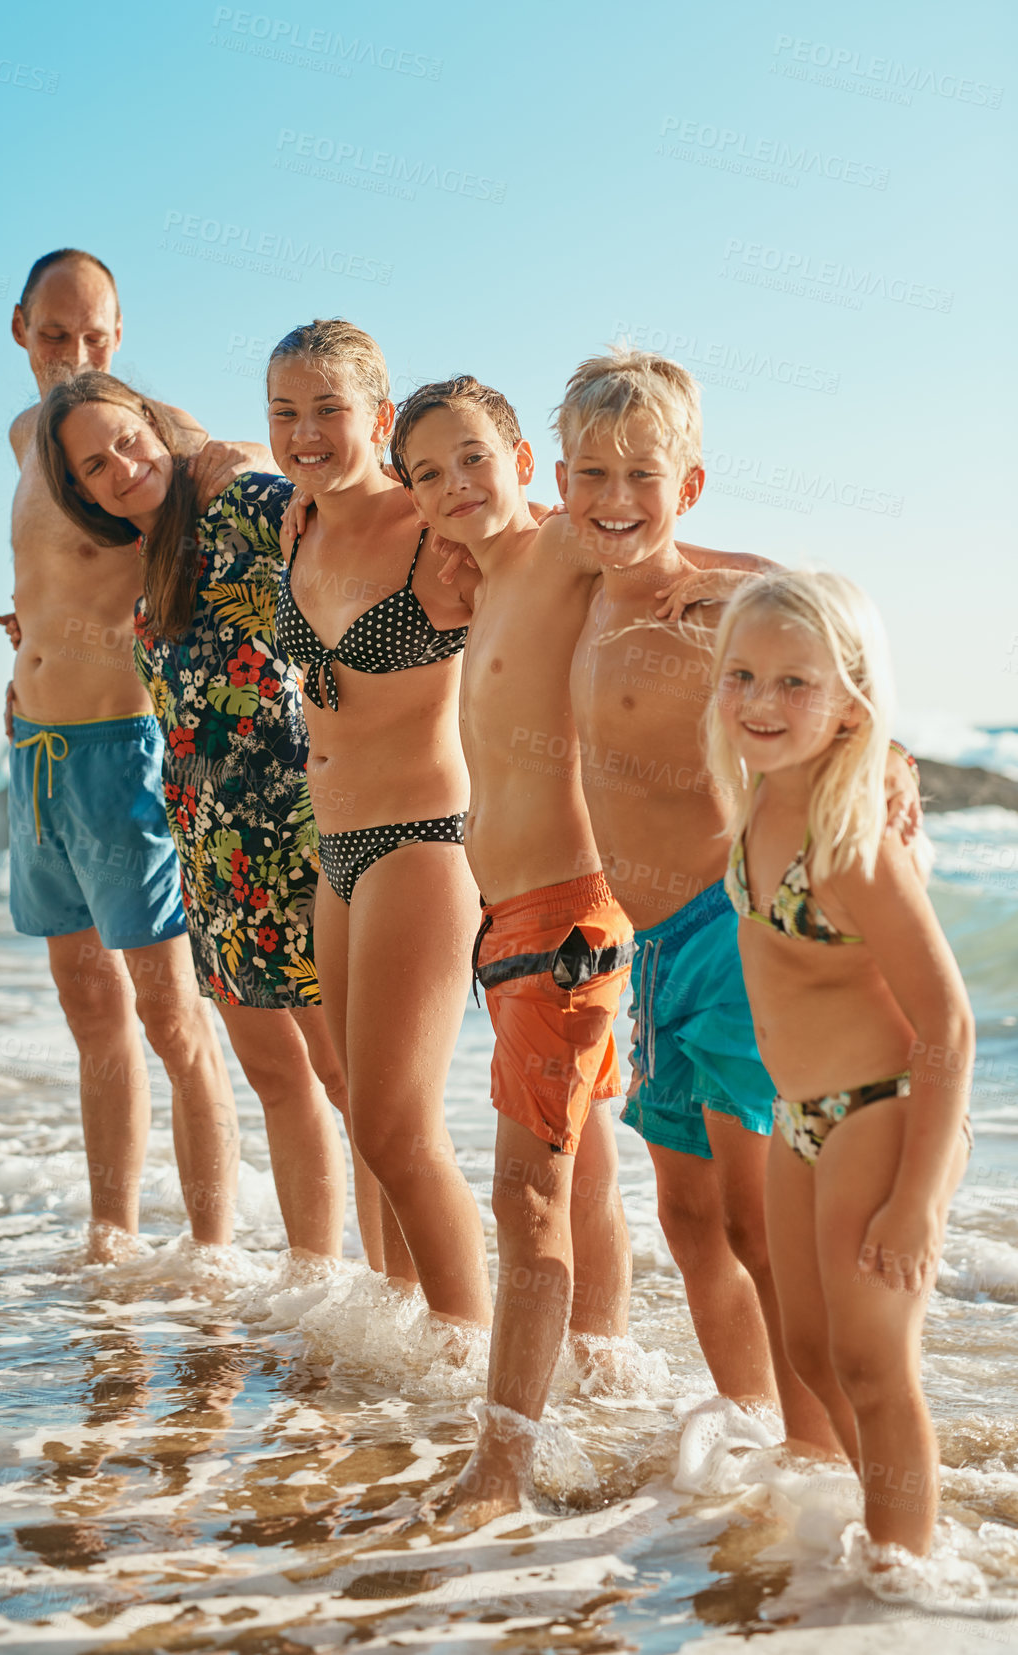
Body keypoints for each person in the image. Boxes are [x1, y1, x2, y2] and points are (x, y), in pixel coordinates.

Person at [565, 348, 921, 1453]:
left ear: (689, 486)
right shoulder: (565, 581)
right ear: (564, 477)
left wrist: (892, 758)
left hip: (733, 933)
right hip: (649, 950)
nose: (616, 500)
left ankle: (820, 1454)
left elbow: (831, 657)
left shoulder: (724, 597)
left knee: (760, 1220)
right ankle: (756, 1425)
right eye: (592, 474)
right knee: (689, 1216)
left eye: (643, 476)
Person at [3, 248, 331, 1263]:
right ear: (21, 329)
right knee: (86, 999)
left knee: (168, 1006)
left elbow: (236, 469)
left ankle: (211, 1247)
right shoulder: (30, 437)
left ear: (119, 332)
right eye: (57, 335)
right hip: (35, 749)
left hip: (125, 746)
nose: (76, 354)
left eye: (96, 334)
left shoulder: (153, 429)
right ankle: (110, 1235)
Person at [390, 376, 635, 1517]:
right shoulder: (480, 584)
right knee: (580, 1169)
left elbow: (707, 570)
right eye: (428, 474)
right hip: (515, 922)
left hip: (568, 916)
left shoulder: (564, 550)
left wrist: (861, 711)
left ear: (523, 459)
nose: (455, 486)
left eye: (473, 458)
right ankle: (609, 1384)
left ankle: (502, 1468)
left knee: (524, 1196)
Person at [706, 569, 972, 1558]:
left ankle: (908, 1579)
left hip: (883, 1108)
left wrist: (919, 1202)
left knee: (870, 1361)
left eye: (793, 683)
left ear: (850, 699)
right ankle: (891, 1533)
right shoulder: (754, 794)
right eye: (741, 676)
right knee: (812, 1352)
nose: (760, 703)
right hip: (799, 1111)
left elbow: (948, 1020)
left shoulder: (851, 845)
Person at [267, 320, 491, 1328]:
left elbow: (581, 591)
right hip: (336, 853)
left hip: (423, 842)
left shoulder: (433, 527)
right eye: (284, 410)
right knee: (365, 1110)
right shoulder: (294, 524)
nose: (303, 431)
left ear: (378, 415)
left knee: (402, 1124)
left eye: (327, 408)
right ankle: (395, 1329)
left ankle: (470, 1357)